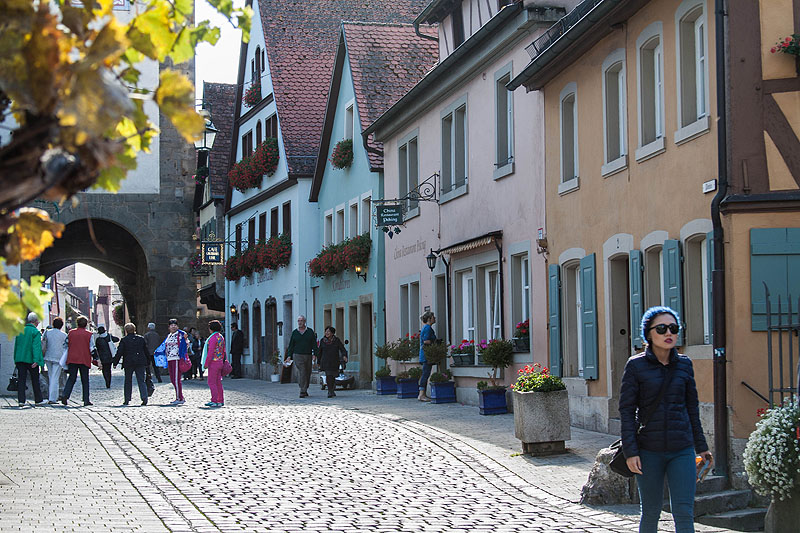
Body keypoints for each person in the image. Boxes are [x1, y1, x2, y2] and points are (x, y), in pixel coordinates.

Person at [619, 306, 712, 533]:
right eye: (661, 328)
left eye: (673, 328)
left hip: (681, 449)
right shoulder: (635, 366)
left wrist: (701, 447)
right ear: (649, 334)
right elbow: (627, 412)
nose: (668, 333)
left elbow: (692, 408)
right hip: (648, 450)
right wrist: (631, 452)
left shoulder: (685, 364)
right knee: (650, 512)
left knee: (684, 511)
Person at [62, 316, 99, 406]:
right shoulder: (89, 334)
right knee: (85, 380)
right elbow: (92, 348)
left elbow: (65, 345)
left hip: (73, 358)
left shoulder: (71, 333)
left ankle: (65, 395)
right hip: (84, 358)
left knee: (71, 378)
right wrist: (96, 359)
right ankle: (86, 399)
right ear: (86, 324)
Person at [113, 323, 152, 406]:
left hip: (129, 362)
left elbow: (120, 352)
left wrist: (115, 362)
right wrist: (148, 361)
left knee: (128, 381)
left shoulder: (124, 340)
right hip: (140, 362)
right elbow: (146, 350)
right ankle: (144, 398)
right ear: (134, 329)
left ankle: (127, 399)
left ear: (126, 331)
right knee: (141, 380)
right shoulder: (141, 339)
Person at [13, 312, 45, 407]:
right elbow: (36, 347)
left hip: (20, 359)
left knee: (21, 380)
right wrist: (36, 360)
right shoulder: (35, 332)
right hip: (31, 360)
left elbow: (17, 346)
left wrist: (16, 358)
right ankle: (38, 400)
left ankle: (21, 400)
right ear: (36, 322)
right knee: (35, 380)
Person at [285, 315, 317, 398]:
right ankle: (302, 390)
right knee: (302, 371)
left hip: (308, 354)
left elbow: (314, 344)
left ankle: (305, 388)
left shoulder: (310, 332)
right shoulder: (295, 333)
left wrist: (315, 354)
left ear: (304, 322)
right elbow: (291, 345)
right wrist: (289, 356)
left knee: (307, 372)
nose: (300, 322)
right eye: (298, 321)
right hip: (297, 355)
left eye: (301, 320)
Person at [162, 318, 189, 405]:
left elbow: (187, 344)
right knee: (173, 379)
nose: (173, 327)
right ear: (169, 327)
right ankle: (180, 396)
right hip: (169, 358)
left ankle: (179, 398)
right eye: (171, 325)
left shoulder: (180, 335)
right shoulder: (169, 335)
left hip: (176, 358)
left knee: (177, 379)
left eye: (175, 325)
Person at [41, 317, 68, 404]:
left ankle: (51, 396)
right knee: (55, 378)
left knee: (50, 376)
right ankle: (52, 398)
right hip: (58, 358)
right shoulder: (64, 335)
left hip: (48, 356)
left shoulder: (47, 333)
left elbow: (43, 342)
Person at [317, 326, 347, 398]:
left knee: (333, 376)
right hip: (326, 361)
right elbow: (319, 352)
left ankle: (332, 389)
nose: (327, 333)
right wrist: (318, 361)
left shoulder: (336, 340)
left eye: (328, 331)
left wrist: (344, 355)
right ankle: (330, 391)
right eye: (326, 331)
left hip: (334, 361)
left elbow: (342, 349)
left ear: (332, 333)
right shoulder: (323, 341)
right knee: (328, 375)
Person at [202, 320, 227, 407]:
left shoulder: (212, 338)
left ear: (211, 328)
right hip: (220, 361)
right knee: (218, 383)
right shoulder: (221, 337)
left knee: (211, 382)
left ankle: (214, 400)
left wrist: (206, 363)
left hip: (213, 362)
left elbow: (210, 352)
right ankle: (220, 400)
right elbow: (223, 351)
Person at [418, 311, 437, 402]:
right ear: (429, 319)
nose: (435, 318)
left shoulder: (425, 328)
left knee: (425, 374)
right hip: (426, 354)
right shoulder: (428, 328)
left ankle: (422, 394)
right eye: (433, 317)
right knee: (425, 374)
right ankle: (421, 394)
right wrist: (435, 343)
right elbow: (426, 341)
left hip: (425, 354)